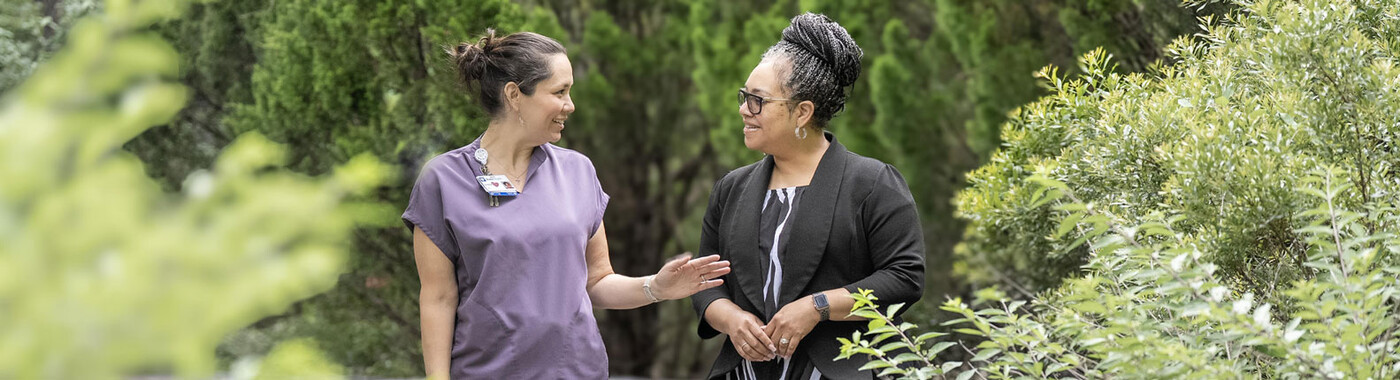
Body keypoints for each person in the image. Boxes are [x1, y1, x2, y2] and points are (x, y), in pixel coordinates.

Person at [403, 29, 731, 379]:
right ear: (514, 95)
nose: (570, 105)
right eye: (559, 92)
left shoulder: (578, 171)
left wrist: (656, 287)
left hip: (577, 371)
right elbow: (438, 299)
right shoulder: (444, 180)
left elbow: (597, 281)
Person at [690, 13, 925, 380]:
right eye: (744, 97)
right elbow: (706, 282)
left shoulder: (873, 183)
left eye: (758, 101)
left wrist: (818, 307)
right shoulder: (731, 188)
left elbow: (905, 277)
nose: (743, 109)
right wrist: (731, 319)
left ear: (802, 112)